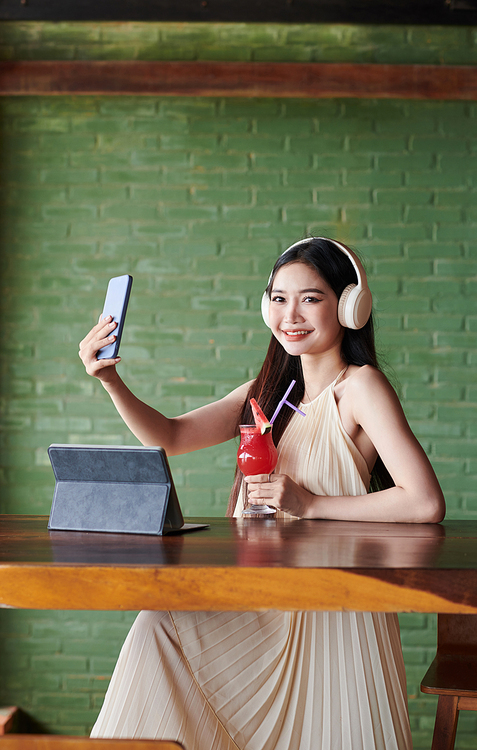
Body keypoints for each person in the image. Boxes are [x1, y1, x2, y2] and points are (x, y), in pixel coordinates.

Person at [79, 237, 445, 750]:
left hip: (329, 604)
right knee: (156, 627)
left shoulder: (360, 388)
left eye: (311, 298)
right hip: (266, 597)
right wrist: (110, 380)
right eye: (278, 298)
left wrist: (310, 505)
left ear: (348, 305)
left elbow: (424, 502)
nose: (290, 314)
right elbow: (172, 435)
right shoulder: (266, 391)